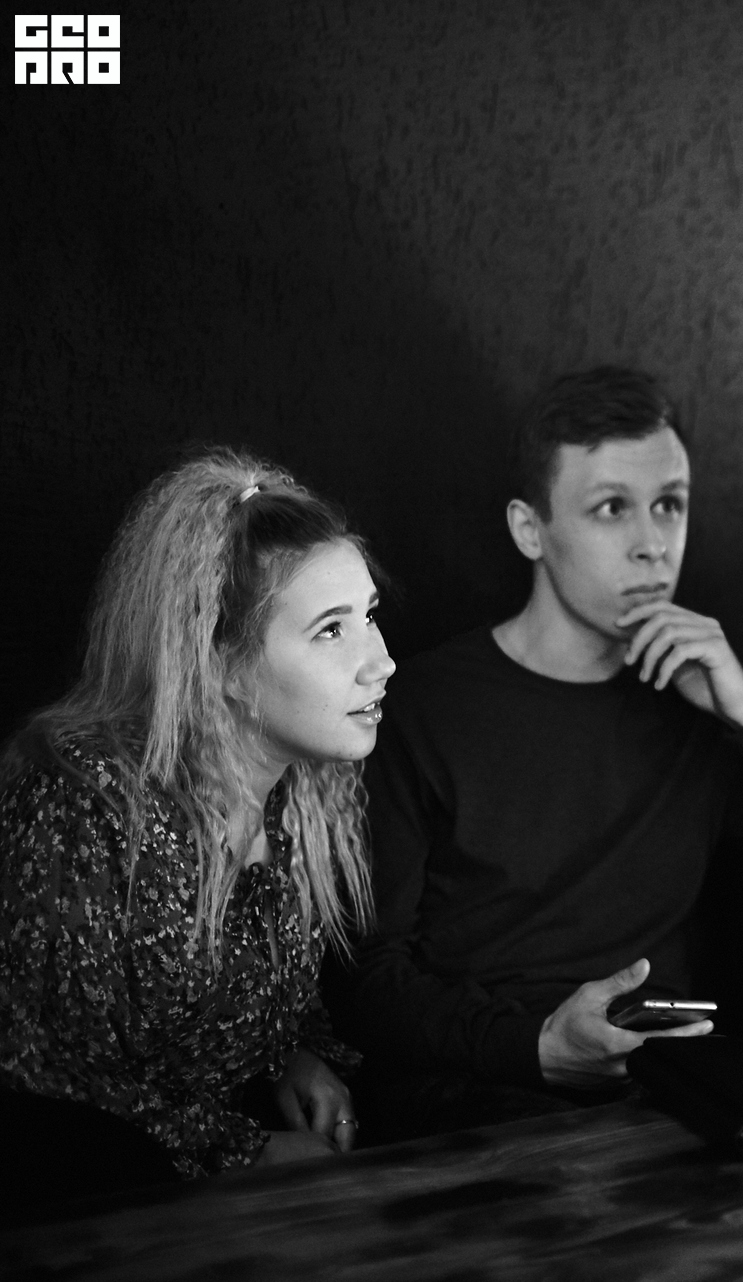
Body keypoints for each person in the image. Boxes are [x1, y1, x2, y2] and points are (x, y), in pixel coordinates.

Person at [334, 366, 743, 1136]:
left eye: (669, 505)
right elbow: (365, 982)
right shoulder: (420, 708)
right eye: (612, 508)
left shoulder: (697, 706)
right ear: (530, 529)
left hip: (663, 1091)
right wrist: (537, 1047)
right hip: (478, 1094)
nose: (651, 545)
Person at [0, 449, 394, 1195]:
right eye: (331, 631)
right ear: (221, 663)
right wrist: (241, 1152)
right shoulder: (82, 798)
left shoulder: (306, 790)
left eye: (368, 616)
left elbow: (254, 994)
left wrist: (292, 1055)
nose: (382, 662)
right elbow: (52, 1073)